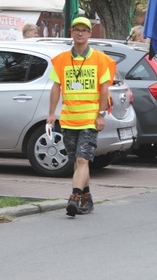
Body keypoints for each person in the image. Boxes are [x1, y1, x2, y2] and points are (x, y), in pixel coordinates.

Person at [47, 16, 115, 217]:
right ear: (71, 32)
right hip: (68, 119)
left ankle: (74, 197)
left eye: (83, 30)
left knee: (83, 160)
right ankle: (87, 197)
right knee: (77, 162)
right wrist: (51, 114)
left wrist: (100, 114)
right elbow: (55, 88)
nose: (80, 33)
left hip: (90, 119)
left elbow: (104, 90)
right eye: (76, 29)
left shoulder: (100, 59)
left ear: (89, 33)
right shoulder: (61, 60)